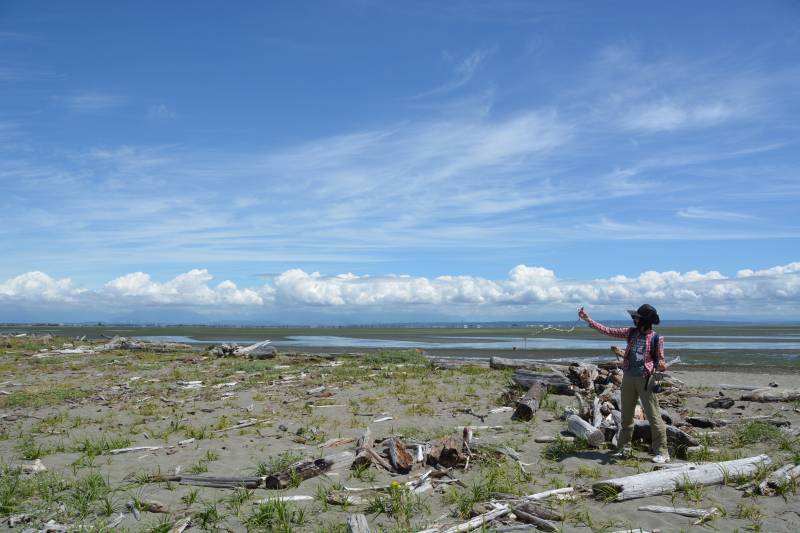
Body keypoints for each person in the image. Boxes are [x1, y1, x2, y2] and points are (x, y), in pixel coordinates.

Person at [578, 304, 670, 464]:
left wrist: (662, 364)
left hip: (646, 379)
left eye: (637, 317)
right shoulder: (631, 332)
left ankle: (663, 452)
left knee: (654, 416)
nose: (634, 319)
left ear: (645, 321)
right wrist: (588, 319)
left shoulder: (656, 338)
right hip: (628, 377)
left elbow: (661, 360)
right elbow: (608, 330)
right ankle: (624, 449)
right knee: (626, 417)